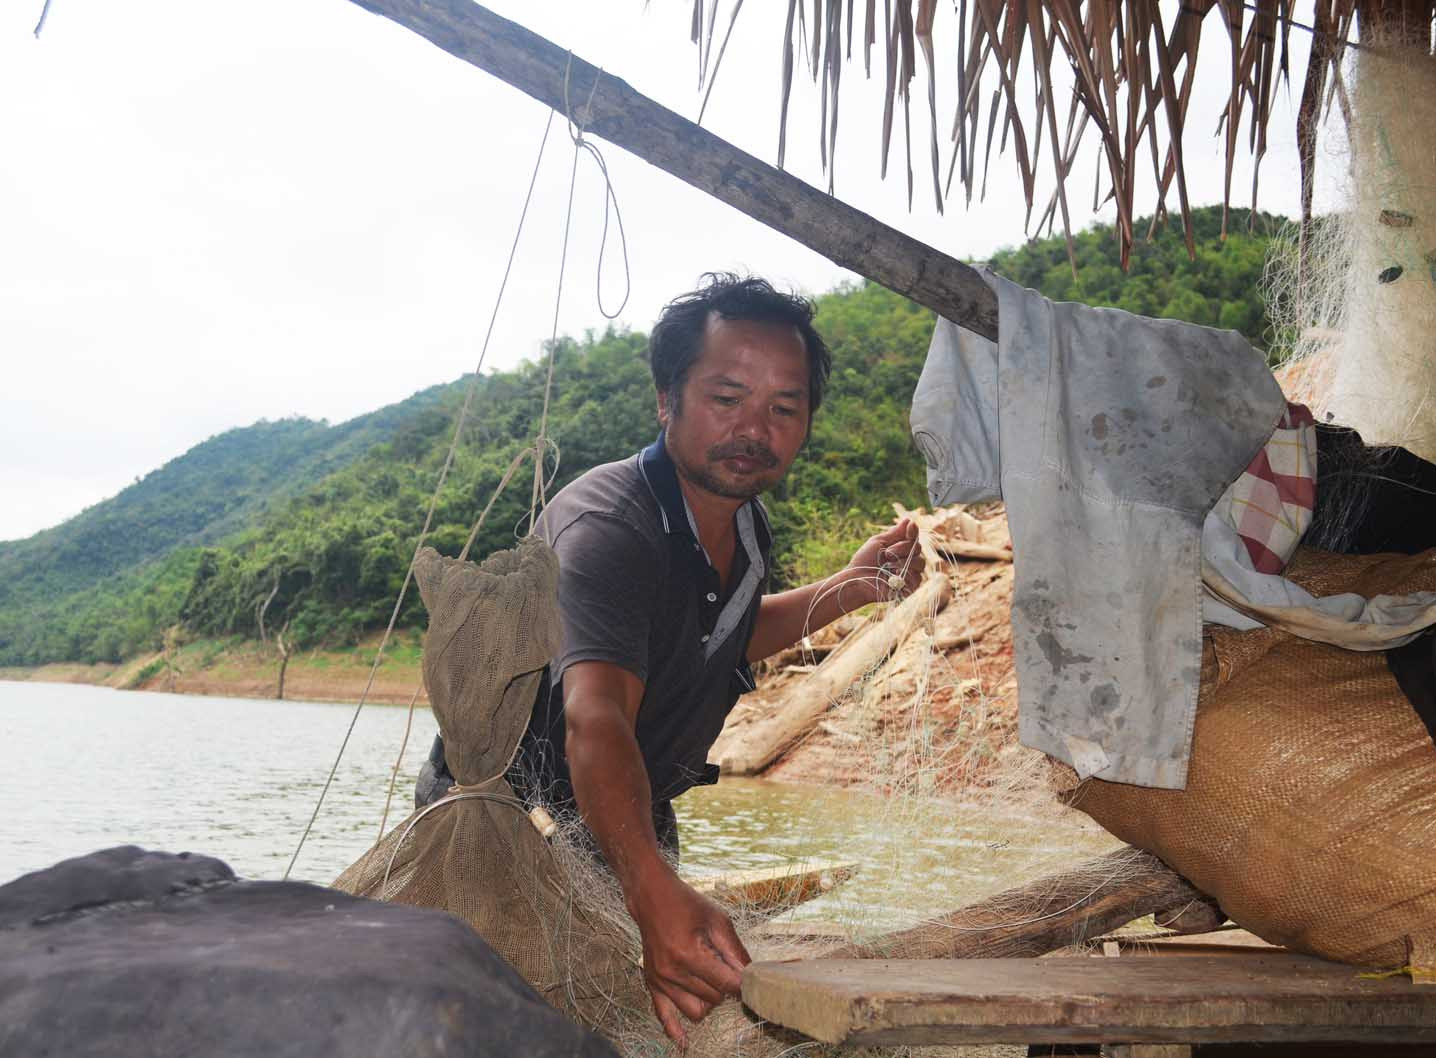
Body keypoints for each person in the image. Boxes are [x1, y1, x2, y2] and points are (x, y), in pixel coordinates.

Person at [420, 274, 923, 1045]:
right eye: (728, 399)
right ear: (667, 401)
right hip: (511, 827)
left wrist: (853, 588)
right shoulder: (611, 527)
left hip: (619, 822)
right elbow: (597, 718)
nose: (755, 428)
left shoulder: (747, 526)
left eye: (784, 408)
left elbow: (726, 638)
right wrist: (653, 889)